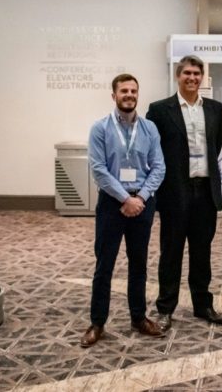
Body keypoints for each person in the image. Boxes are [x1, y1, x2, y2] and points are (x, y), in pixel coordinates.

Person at [81, 73, 166, 348]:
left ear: (137, 95)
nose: (129, 95)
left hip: (142, 203)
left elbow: (159, 167)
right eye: (124, 91)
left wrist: (139, 197)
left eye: (133, 91)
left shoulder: (150, 129)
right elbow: (98, 169)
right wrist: (124, 199)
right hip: (111, 204)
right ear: (114, 95)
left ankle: (138, 318)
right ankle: (97, 323)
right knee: (104, 265)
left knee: (138, 264)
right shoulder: (100, 129)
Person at [146, 55, 222, 331]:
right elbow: (152, 151)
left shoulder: (215, 109)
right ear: (177, 76)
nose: (192, 78)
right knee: (171, 252)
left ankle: (202, 305)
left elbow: (214, 146)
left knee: (202, 253)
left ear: (202, 77)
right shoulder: (159, 110)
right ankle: (165, 308)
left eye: (197, 73)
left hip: (205, 191)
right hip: (174, 193)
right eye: (187, 73)